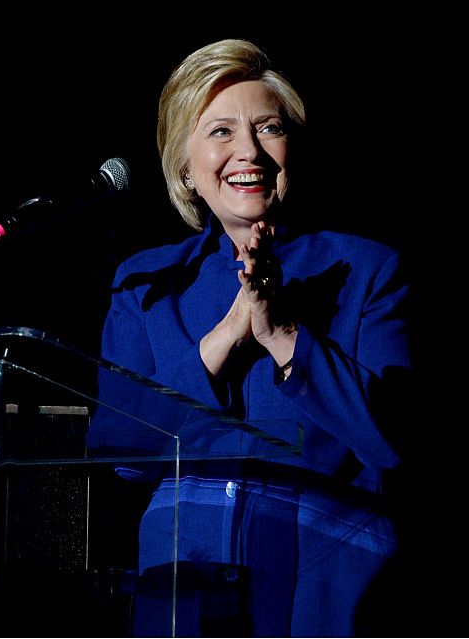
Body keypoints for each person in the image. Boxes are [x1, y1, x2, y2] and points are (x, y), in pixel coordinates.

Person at [87, 38, 413, 636]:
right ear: (184, 165)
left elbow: (396, 438)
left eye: (268, 128)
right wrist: (230, 331)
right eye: (219, 131)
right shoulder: (147, 283)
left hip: (327, 584)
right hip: (185, 583)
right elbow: (119, 450)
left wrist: (283, 330)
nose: (247, 151)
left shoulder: (367, 270)